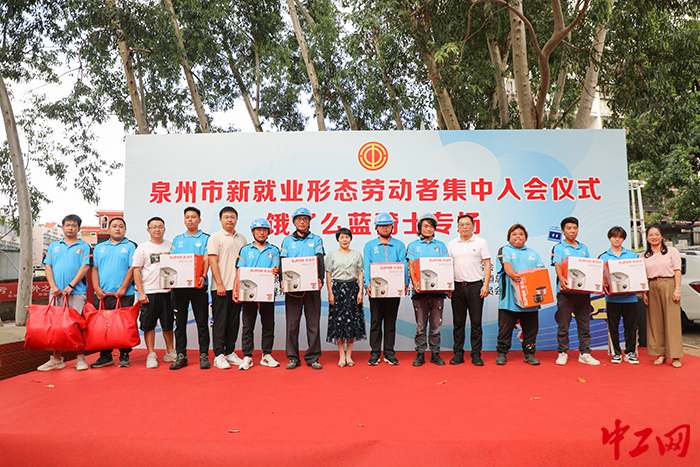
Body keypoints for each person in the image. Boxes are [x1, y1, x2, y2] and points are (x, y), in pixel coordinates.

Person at [38, 214, 91, 371]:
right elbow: (48, 266)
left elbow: (85, 267)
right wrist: (53, 286)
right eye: (68, 225)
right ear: (62, 227)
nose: (70, 228)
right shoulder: (54, 246)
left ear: (79, 228)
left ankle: (80, 357)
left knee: (77, 325)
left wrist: (71, 285)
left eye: (74, 225)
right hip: (56, 293)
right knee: (56, 326)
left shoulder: (84, 246)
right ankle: (56, 359)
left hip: (77, 292)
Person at [280, 207, 325, 370]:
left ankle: (313, 357)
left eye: (305, 219)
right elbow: (283, 261)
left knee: (313, 324)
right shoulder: (287, 241)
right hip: (293, 289)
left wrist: (320, 278)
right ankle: (293, 358)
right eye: (299, 219)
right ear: (294, 222)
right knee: (292, 325)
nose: (302, 221)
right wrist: (282, 281)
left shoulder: (316, 239)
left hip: (312, 288)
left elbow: (320, 259)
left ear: (309, 222)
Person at [90, 217, 138, 368]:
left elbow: (132, 268)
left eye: (121, 226)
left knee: (123, 325)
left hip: (124, 294)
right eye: (114, 226)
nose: (118, 229)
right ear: (109, 229)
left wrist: (123, 287)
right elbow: (94, 269)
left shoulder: (130, 246)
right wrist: (96, 288)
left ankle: (124, 355)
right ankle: (105, 356)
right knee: (103, 326)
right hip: (102, 294)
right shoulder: (99, 248)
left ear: (125, 229)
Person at [551, 216, 600, 366]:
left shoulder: (583, 248)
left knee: (584, 323)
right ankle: (562, 352)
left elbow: (590, 266)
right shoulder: (559, 247)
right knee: (563, 324)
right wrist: (561, 279)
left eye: (575, 228)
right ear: (563, 231)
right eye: (569, 228)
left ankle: (585, 353)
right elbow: (557, 264)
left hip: (583, 293)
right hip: (565, 292)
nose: (572, 231)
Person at [235, 218, 281, 370]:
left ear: (268, 232)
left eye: (264, 230)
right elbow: (240, 271)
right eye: (258, 230)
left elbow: (276, 269)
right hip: (249, 293)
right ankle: (247, 356)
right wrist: (236, 290)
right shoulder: (245, 250)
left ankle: (266, 355)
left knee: (268, 324)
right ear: (253, 232)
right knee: (248, 325)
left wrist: (276, 270)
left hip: (267, 293)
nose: (261, 233)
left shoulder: (274, 250)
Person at [363, 213, 408, 366]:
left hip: (394, 290)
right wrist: (367, 284)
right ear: (376, 227)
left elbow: (404, 265)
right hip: (376, 289)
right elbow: (367, 266)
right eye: (381, 226)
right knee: (375, 322)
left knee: (390, 322)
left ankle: (389, 352)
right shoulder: (370, 246)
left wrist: (405, 282)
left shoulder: (399, 245)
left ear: (392, 227)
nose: (384, 228)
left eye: (387, 225)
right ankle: (375, 353)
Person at [495, 224, 544, 366]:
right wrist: (511, 273)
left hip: (530, 299)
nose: (518, 236)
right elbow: (507, 264)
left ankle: (529, 354)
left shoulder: (533, 253)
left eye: (521, 234)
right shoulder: (505, 250)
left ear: (526, 237)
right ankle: (502, 353)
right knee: (505, 329)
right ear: (509, 237)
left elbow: (541, 270)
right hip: (509, 300)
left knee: (531, 329)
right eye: (514, 234)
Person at [169, 207, 211, 370]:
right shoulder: (178, 239)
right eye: (187, 217)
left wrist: (203, 276)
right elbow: (172, 261)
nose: (190, 220)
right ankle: (181, 356)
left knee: (202, 322)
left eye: (193, 217)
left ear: (199, 220)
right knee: (179, 323)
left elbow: (207, 259)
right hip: (179, 287)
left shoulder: (206, 238)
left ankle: (204, 355)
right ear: (184, 220)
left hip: (199, 285)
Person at [132, 216, 177, 369]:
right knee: (149, 325)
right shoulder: (142, 248)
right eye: (154, 227)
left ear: (164, 229)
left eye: (160, 226)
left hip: (168, 292)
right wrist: (141, 293)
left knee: (168, 324)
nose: (157, 229)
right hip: (150, 292)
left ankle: (170, 351)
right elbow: (136, 271)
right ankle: (151, 354)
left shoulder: (171, 246)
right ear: (148, 230)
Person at [447, 214, 491, 366]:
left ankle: (476, 355)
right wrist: (448, 286)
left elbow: (487, 264)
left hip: (475, 287)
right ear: (457, 227)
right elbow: (447, 266)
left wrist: (485, 285)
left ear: (473, 226)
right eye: (461, 224)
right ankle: (458, 354)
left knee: (476, 323)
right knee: (458, 323)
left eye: (467, 224)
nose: (464, 227)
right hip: (457, 287)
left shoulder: (481, 242)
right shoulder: (452, 244)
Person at [407, 213, 450, 366]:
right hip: (419, 293)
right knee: (420, 326)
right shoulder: (413, 245)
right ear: (419, 228)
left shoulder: (441, 245)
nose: (428, 228)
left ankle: (435, 354)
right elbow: (411, 266)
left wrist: (448, 286)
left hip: (438, 292)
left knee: (436, 325)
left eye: (431, 226)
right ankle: (420, 354)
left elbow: (446, 266)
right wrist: (415, 284)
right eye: (425, 226)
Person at [208, 206, 247, 370]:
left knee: (233, 321)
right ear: (220, 219)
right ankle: (219, 355)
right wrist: (220, 284)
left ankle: (230, 352)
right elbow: (212, 262)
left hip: (237, 288)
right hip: (221, 287)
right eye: (226, 217)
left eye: (232, 217)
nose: (229, 220)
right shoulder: (215, 237)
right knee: (220, 322)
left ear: (236, 219)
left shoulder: (242, 238)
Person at [642, 225, 683, 368]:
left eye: (657, 234)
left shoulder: (671, 251)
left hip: (668, 284)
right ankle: (661, 354)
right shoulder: (643, 256)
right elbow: (642, 276)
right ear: (647, 238)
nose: (654, 237)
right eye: (651, 235)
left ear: (662, 237)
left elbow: (677, 271)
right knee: (655, 321)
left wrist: (677, 290)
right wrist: (644, 293)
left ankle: (675, 355)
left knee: (672, 320)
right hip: (651, 286)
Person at [326, 227, 366, 367]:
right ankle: (341, 356)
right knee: (339, 322)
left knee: (352, 322)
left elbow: (360, 273)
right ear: (338, 239)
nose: (344, 240)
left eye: (347, 237)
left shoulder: (357, 254)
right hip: (337, 289)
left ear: (350, 239)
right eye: (342, 237)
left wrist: (360, 291)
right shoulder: (331, 255)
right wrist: (330, 293)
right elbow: (328, 275)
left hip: (353, 289)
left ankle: (349, 355)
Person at [599, 226, 639, 365]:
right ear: (609, 238)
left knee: (631, 327)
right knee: (613, 327)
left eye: (620, 237)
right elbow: (599, 276)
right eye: (614, 236)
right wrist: (603, 283)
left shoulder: (632, 256)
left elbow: (638, 274)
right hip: (612, 298)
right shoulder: (603, 257)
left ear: (624, 239)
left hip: (630, 298)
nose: (617, 239)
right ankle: (616, 353)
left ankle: (630, 353)